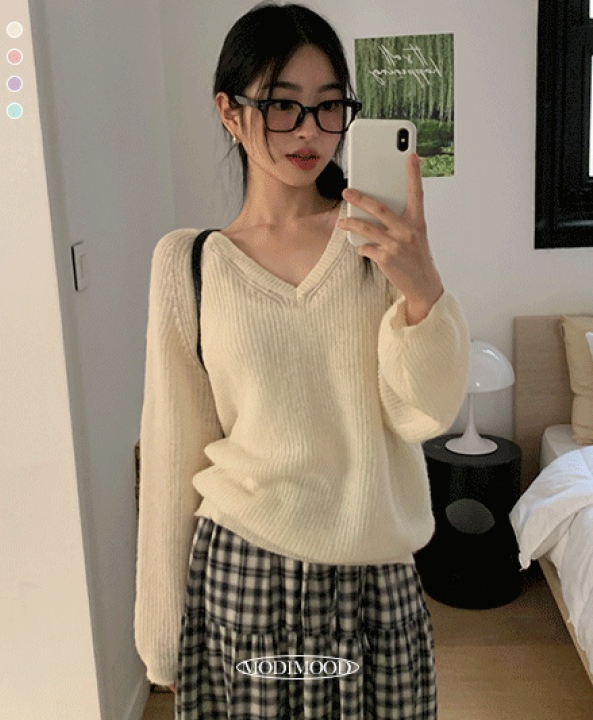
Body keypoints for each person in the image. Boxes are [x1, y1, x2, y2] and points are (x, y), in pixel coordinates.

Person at [134, 2, 470, 718]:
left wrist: (423, 291)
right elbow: (172, 451)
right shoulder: (189, 265)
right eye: (282, 105)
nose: (310, 131)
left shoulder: (378, 242)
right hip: (243, 573)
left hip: (375, 581)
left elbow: (424, 413)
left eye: (328, 106)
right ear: (229, 113)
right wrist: (163, 641)